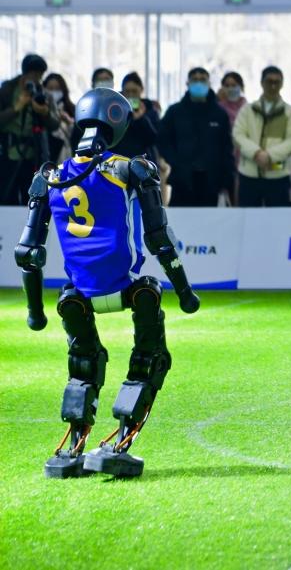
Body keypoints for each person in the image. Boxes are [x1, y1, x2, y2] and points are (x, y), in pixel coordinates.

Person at [15, 88, 199, 479]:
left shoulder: (50, 177)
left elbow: (27, 252)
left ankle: (72, 447)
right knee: (152, 351)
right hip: (127, 286)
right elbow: (159, 238)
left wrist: (35, 311)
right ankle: (120, 441)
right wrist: (184, 291)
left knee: (83, 363)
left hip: (77, 293)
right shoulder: (130, 168)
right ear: (119, 123)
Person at [157, 67, 235, 207]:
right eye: (195, 80)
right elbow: (162, 140)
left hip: (212, 182)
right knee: (180, 219)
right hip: (182, 180)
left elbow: (226, 147)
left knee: (211, 219)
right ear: (188, 83)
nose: (199, 83)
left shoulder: (219, 114)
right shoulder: (175, 112)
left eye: (202, 80)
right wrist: (174, 161)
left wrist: (226, 179)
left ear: (209, 83)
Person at [233, 65, 291, 207]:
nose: (273, 86)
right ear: (261, 83)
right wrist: (256, 153)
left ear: (282, 84)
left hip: (278, 175)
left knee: (277, 218)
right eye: (269, 81)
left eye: (277, 82)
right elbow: (238, 135)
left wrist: (269, 156)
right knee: (247, 218)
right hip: (249, 174)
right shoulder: (248, 110)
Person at [0, 54, 60, 205]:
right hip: (8, 153)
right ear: (24, 74)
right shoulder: (7, 90)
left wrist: (44, 112)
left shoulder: (43, 94)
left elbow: (55, 124)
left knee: (33, 198)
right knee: (7, 197)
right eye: (33, 74)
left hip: (34, 155)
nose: (35, 79)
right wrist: (16, 108)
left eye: (39, 75)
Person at [114, 72, 159, 160]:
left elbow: (154, 139)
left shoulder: (151, 110)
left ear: (141, 90)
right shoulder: (117, 112)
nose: (131, 95)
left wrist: (140, 119)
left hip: (145, 161)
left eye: (134, 91)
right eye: (127, 91)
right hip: (120, 161)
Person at [43, 72, 76, 162]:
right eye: (50, 88)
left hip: (69, 157)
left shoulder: (72, 109)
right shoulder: (41, 110)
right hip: (49, 158)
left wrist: (69, 121)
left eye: (57, 89)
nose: (54, 92)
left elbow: (76, 136)